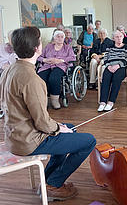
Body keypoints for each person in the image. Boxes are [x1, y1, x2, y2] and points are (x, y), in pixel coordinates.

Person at [0, 26, 96, 201]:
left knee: (71, 128)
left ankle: (48, 180)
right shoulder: (32, 79)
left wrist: (60, 128)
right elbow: (42, 123)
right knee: (89, 141)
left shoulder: (9, 70)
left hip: (14, 135)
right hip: (27, 141)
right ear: (38, 48)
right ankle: (54, 183)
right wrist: (58, 129)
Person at [37, 30, 76, 109]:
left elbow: (73, 57)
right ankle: (43, 99)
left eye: (62, 37)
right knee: (40, 78)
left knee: (54, 78)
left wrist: (60, 60)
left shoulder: (67, 48)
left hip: (60, 66)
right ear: (54, 38)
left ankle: (55, 99)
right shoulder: (48, 46)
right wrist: (45, 60)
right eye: (58, 36)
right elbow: (39, 56)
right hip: (47, 65)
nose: (60, 38)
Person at [97, 30, 127, 112]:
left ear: (123, 37)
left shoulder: (126, 47)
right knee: (105, 77)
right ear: (113, 38)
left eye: (120, 36)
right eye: (117, 37)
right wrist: (108, 65)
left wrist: (118, 65)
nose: (119, 38)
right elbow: (105, 57)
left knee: (116, 78)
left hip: (122, 67)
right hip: (110, 66)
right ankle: (102, 102)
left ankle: (111, 102)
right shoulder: (110, 46)